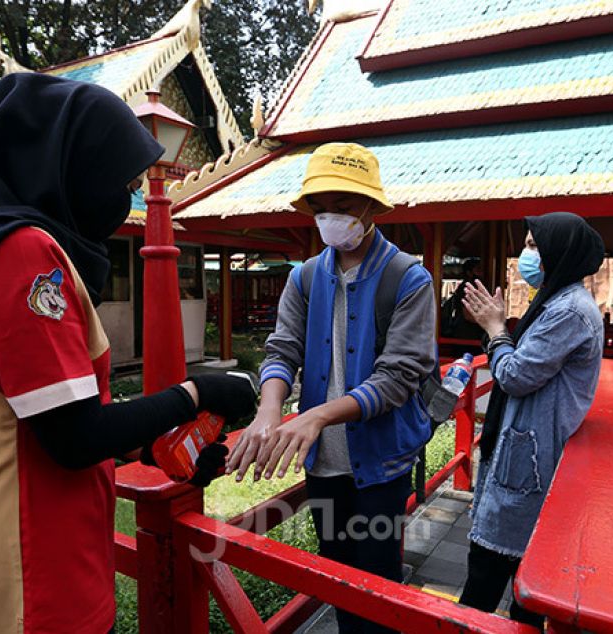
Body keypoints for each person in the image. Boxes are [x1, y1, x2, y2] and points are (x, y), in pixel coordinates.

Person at [0, 74, 256, 633]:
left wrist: (151, 444)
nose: (127, 200)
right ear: (70, 162)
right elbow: (73, 438)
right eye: (118, 181)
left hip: (42, 568)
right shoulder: (19, 254)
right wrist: (197, 393)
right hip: (25, 588)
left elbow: (37, 425)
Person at [225, 142, 436, 634]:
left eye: (343, 207)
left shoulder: (409, 278)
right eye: (320, 209)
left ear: (370, 208)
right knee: (335, 572)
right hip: (324, 462)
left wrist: (316, 415)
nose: (330, 219)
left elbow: (398, 377)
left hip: (381, 464)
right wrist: (269, 410)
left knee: (377, 580)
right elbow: (282, 351)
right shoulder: (303, 278)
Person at [457, 212, 604, 627]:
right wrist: (497, 330)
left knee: (492, 585)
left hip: (531, 464)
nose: (526, 254)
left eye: (534, 246)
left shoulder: (570, 312)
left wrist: (495, 327)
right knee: (512, 583)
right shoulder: (557, 302)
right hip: (525, 453)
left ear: (562, 253)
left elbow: (515, 374)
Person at [439, 257, 485, 341]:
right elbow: (467, 315)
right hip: (466, 334)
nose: (481, 273)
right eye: (478, 269)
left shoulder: (474, 288)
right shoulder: (467, 288)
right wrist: (488, 323)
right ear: (469, 273)